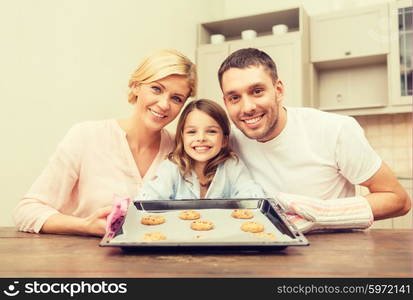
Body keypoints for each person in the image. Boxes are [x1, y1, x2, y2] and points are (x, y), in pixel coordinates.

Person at [217, 48, 411, 233]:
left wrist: (322, 214)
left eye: (257, 91)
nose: (247, 107)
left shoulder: (335, 129)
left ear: (278, 90)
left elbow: (399, 200)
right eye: (234, 97)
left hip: (335, 254)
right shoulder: (229, 141)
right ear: (226, 102)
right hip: (266, 252)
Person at [13, 49, 197, 237]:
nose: (164, 104)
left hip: (161, 264)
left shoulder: (182, 149)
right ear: (135, 86)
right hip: (85, 261)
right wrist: (85, 225)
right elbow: (26, 210)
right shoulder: (86, 136)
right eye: (156, 89)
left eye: (176, 98)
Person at [134, 99, 265, 201]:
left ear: (224, 140)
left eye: (211, 131)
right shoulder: (172, 167)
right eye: (192, 132)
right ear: (182, 137)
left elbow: (252, 195)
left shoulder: (232, 165)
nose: (201, 138)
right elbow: (148, 199)